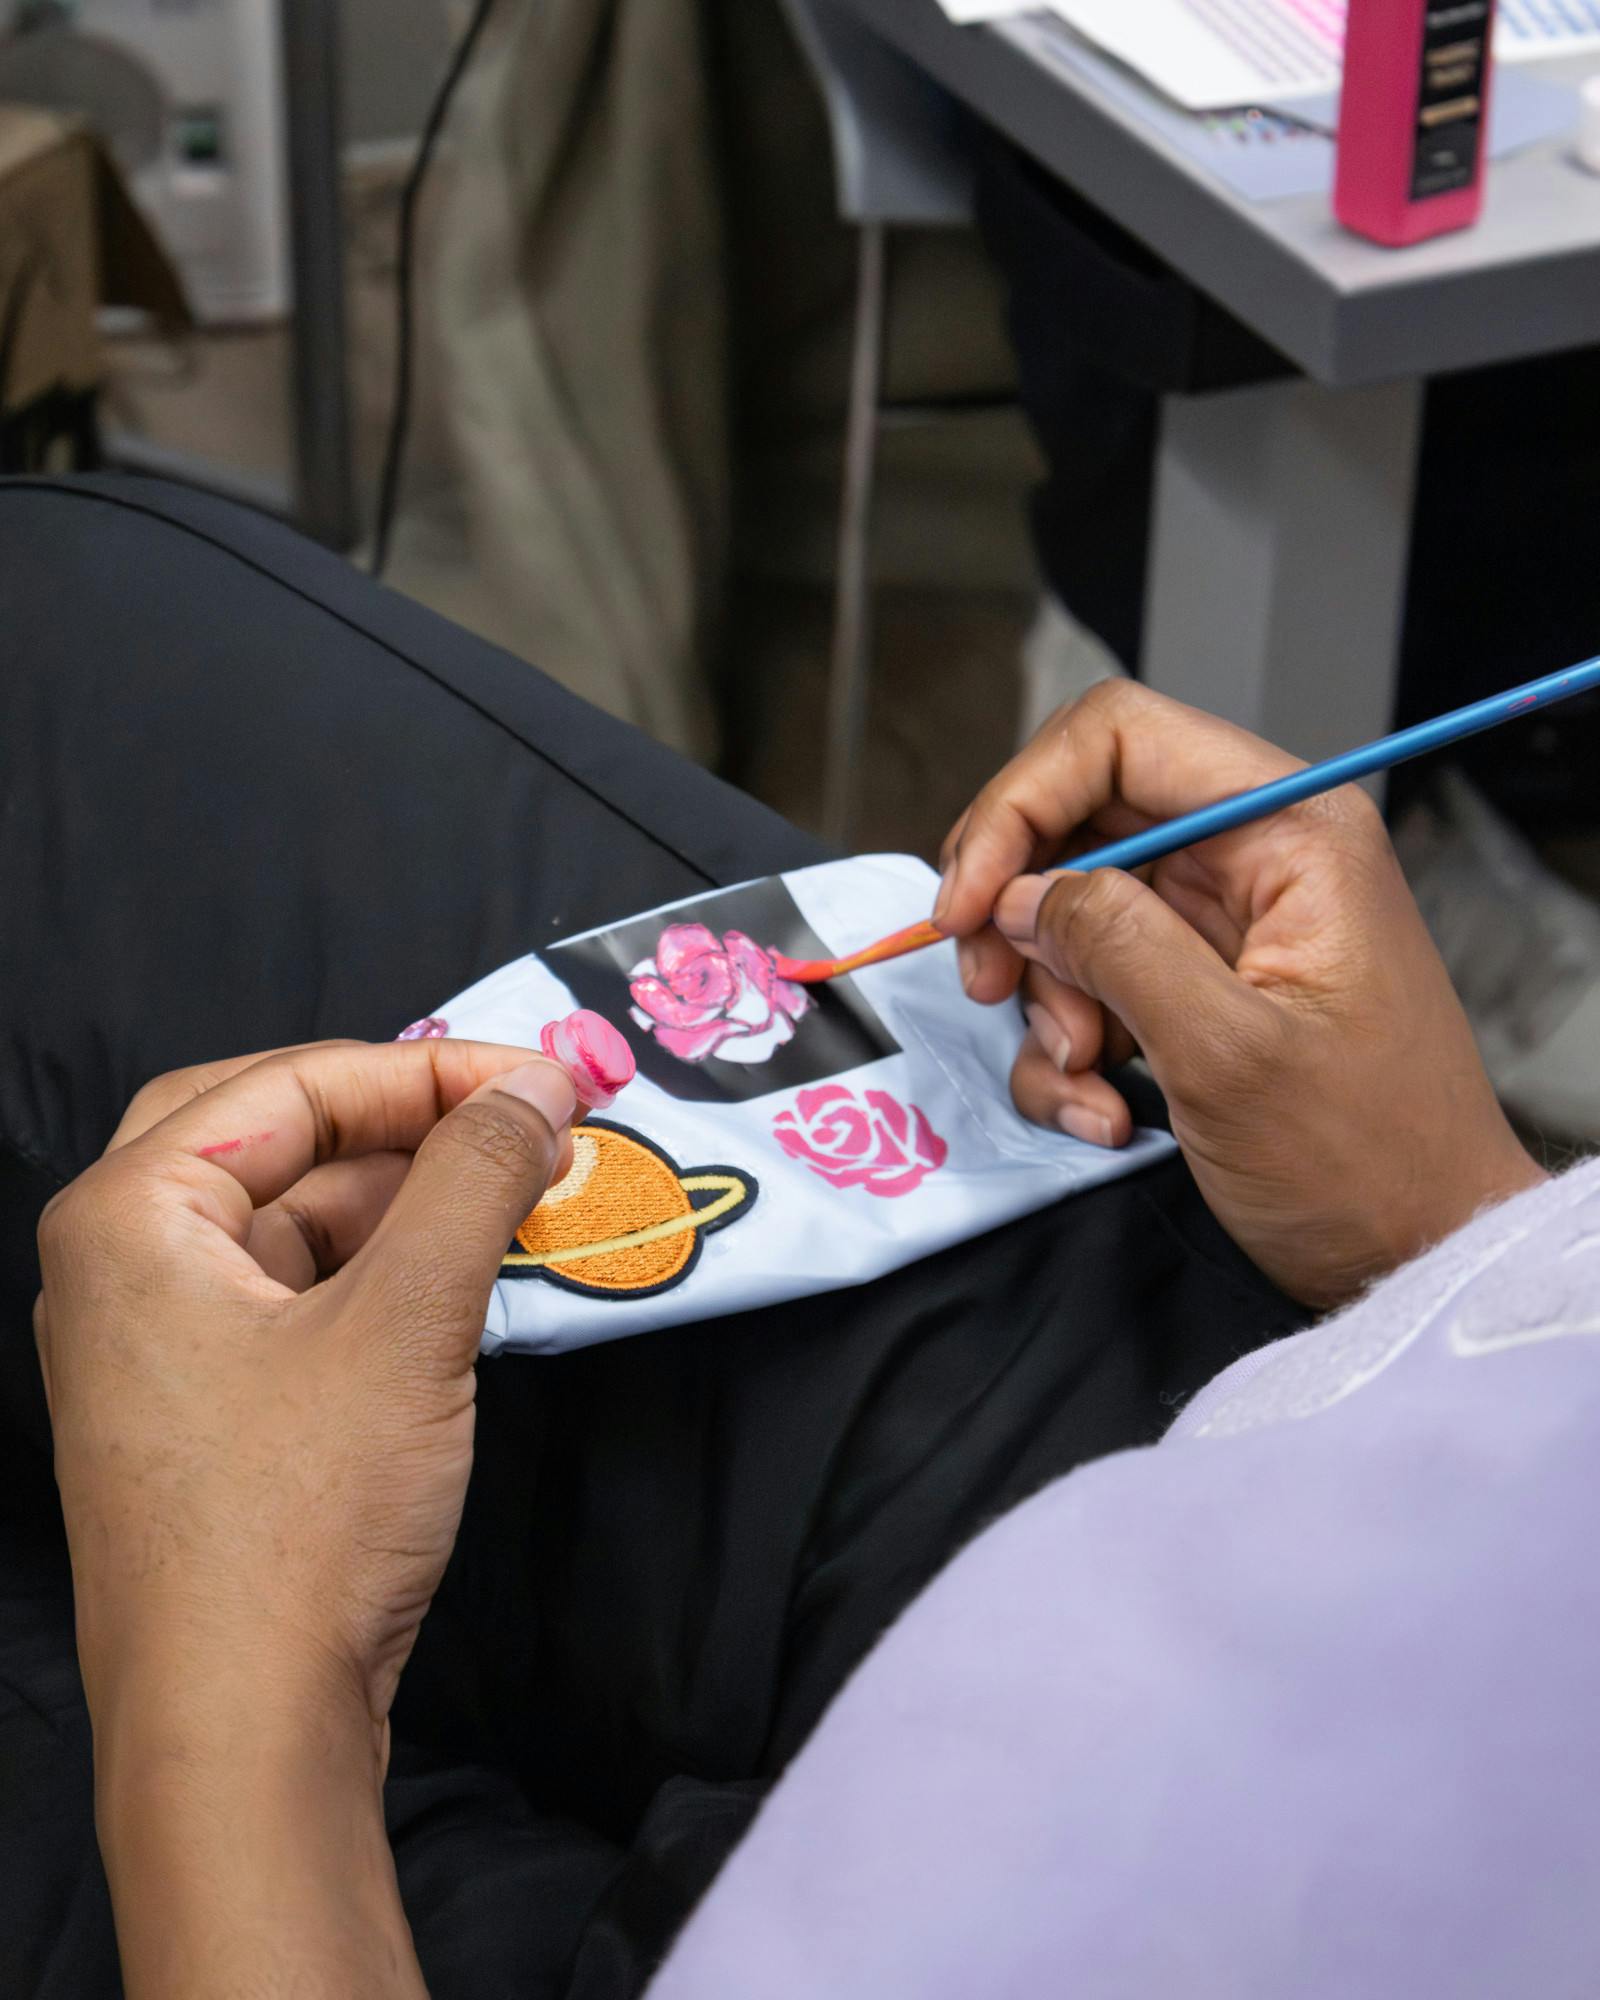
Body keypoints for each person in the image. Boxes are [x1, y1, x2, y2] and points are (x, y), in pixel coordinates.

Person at [2, 475, 1593, 1998]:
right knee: (60, 629)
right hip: (1331, 1472)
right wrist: (1454, 1238)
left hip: (1045, 1869)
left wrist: (227, 1699)